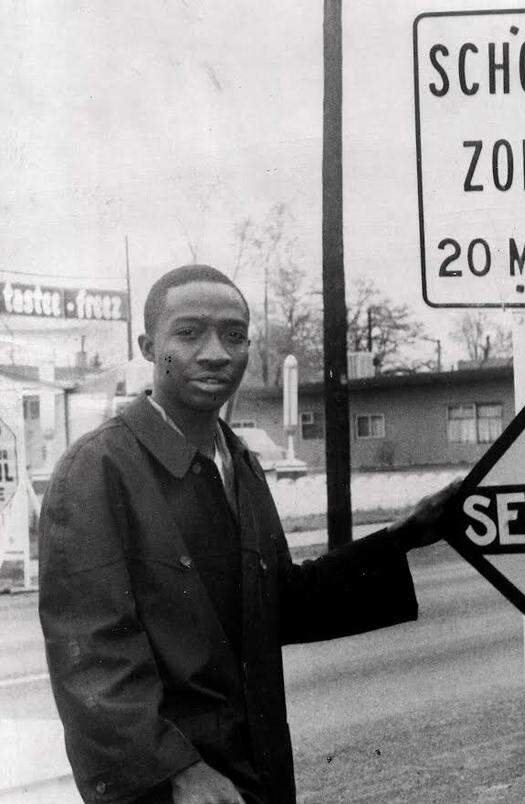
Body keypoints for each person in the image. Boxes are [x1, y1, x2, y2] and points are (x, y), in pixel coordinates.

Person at [39, 264, 460, 803]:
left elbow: (274, 599)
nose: (216, 352)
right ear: (148, 346)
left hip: (254, 771)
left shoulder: (238, 463)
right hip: (172, 790)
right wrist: (178, 772)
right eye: (189, 333)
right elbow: (91, 659)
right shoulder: (97, 470)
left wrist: (401, 538)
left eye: (234, 335)